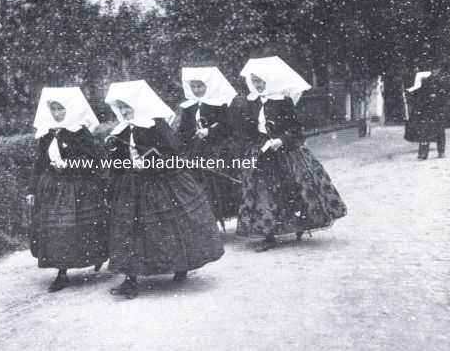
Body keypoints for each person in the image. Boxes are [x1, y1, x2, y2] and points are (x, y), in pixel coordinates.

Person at [104, 80, 224, 299]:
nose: (123, 111)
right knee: (130, 231)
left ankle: (180, 265)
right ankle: (130, 279)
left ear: (138, 105)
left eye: (127, 106)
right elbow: (118, 164)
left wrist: (150, 164)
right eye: (120, 107)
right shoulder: (120, 132)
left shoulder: (156, 124)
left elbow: (173, 155)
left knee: (168, 228)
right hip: (132, 187)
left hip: (161, 184)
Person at [234, 57, 347, 251]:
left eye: (260, 81)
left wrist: (281, 140)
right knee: (262, 193)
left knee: (291, 189)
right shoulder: (251, 102)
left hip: (284, 152)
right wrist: (252, 144)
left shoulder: (282, 101)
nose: (257, 85)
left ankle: (298, 224)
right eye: (254, 82)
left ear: (269, 80)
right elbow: (248, 129)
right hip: (261, 152)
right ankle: (268, 234)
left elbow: (296, 128)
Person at [26, 87, 109, 292]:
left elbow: (94, 160)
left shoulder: (79, 132)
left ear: (70, 109)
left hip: (79, 187)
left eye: (60, 109)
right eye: (53, 109)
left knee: (83, 227)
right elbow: (40, 162)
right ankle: (62, 272)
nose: (56, 114)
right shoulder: (46, 133)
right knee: (58, 230)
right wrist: (32, 190)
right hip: (53, 187)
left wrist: (70, 164)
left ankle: (96, 256)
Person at [177, 67, 239, 230]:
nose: (197, 90)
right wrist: (190, 136)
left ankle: (216, 215)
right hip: (194, 149)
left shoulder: (219, 104)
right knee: (193, 183)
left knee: (214, 182)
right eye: (194, 87)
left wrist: (210, 131)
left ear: (208, 86)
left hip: (216, 148)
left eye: (200, 86)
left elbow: (229, 127)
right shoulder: (188, 107)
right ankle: (203, 221)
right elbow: (183, 130)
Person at [404, 62, 450, 159]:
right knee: (424, 131)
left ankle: (441, 151)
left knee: (440, 131)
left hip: (439, 110)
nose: (435, 71)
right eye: (433, 69)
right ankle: (423, 153)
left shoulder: (443, 81)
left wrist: (439, 99)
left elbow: (448, 96)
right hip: (427, 110)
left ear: (440, 70)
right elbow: (421, 95)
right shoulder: (426, 81)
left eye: (436, 69)